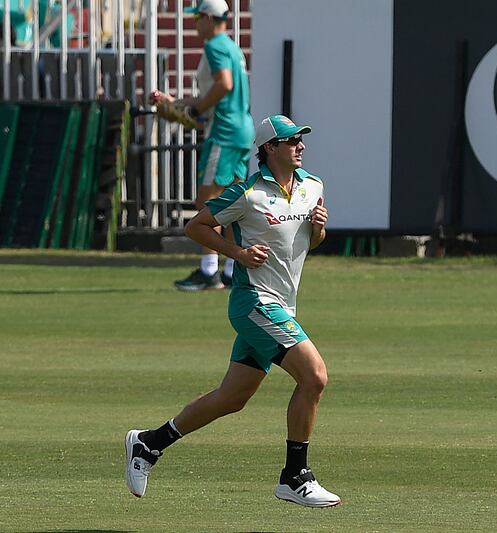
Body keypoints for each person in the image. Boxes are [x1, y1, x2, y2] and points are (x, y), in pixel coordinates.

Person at [125, 115, 340, 508]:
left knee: (231, 398)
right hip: (254, 303)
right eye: (291, 140)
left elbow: (311, 242)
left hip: (283, 304)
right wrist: (238, 253)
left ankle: (149, 444)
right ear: (269, 148)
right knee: (315, 377)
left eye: (301, 139)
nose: (300, 145)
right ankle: (295, 476)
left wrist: (320, 228)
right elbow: (197, 226)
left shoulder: (313, 186)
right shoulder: (248, 192)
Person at [151, 0, 254, 290]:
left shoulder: (215, 45)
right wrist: (176, 104)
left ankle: (209, 271)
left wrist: (193, 110)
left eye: (198, 17)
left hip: (223, 131)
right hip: (240, 128)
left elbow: (224, 84)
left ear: (209, 18)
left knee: (208, 205)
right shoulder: (232, 46)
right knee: (235, 203)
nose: (195, 23)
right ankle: (233, 272)